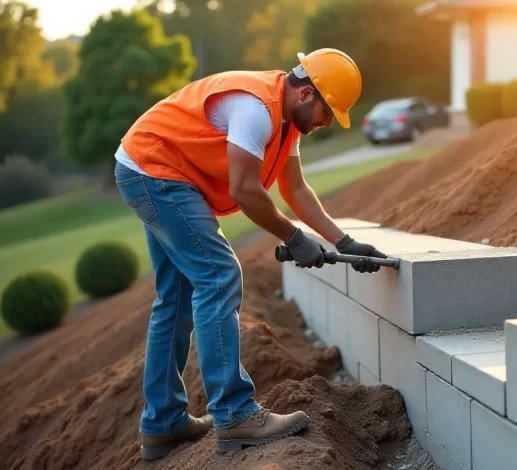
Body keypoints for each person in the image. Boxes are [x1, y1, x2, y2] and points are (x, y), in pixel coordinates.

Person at [112, 48, 387, 461]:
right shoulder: (255, 108)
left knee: (177, 297)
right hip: (156, 172)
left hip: (150, 169)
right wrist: (295, 239)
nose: (327, 123)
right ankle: (234, 412)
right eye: (329, 112)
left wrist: (342, 242)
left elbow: (295, 190)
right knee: (219, 276)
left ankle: (163, 422)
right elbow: (245, 189)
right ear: (307, 94)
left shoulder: (285, 120)